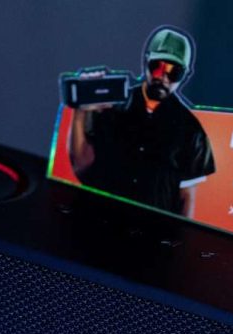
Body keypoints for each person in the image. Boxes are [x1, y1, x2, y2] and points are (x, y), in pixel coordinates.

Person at [68, 27, 216, 217]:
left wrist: (180, 235)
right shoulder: (110, 105)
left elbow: (187, 198)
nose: (163, 77)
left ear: (185, 75)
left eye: (174, 72)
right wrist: (81, 111)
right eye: (158, 67)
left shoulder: (191, 131)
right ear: (146, 62)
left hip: (152, 230)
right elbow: (82, 164)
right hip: (97, 218)